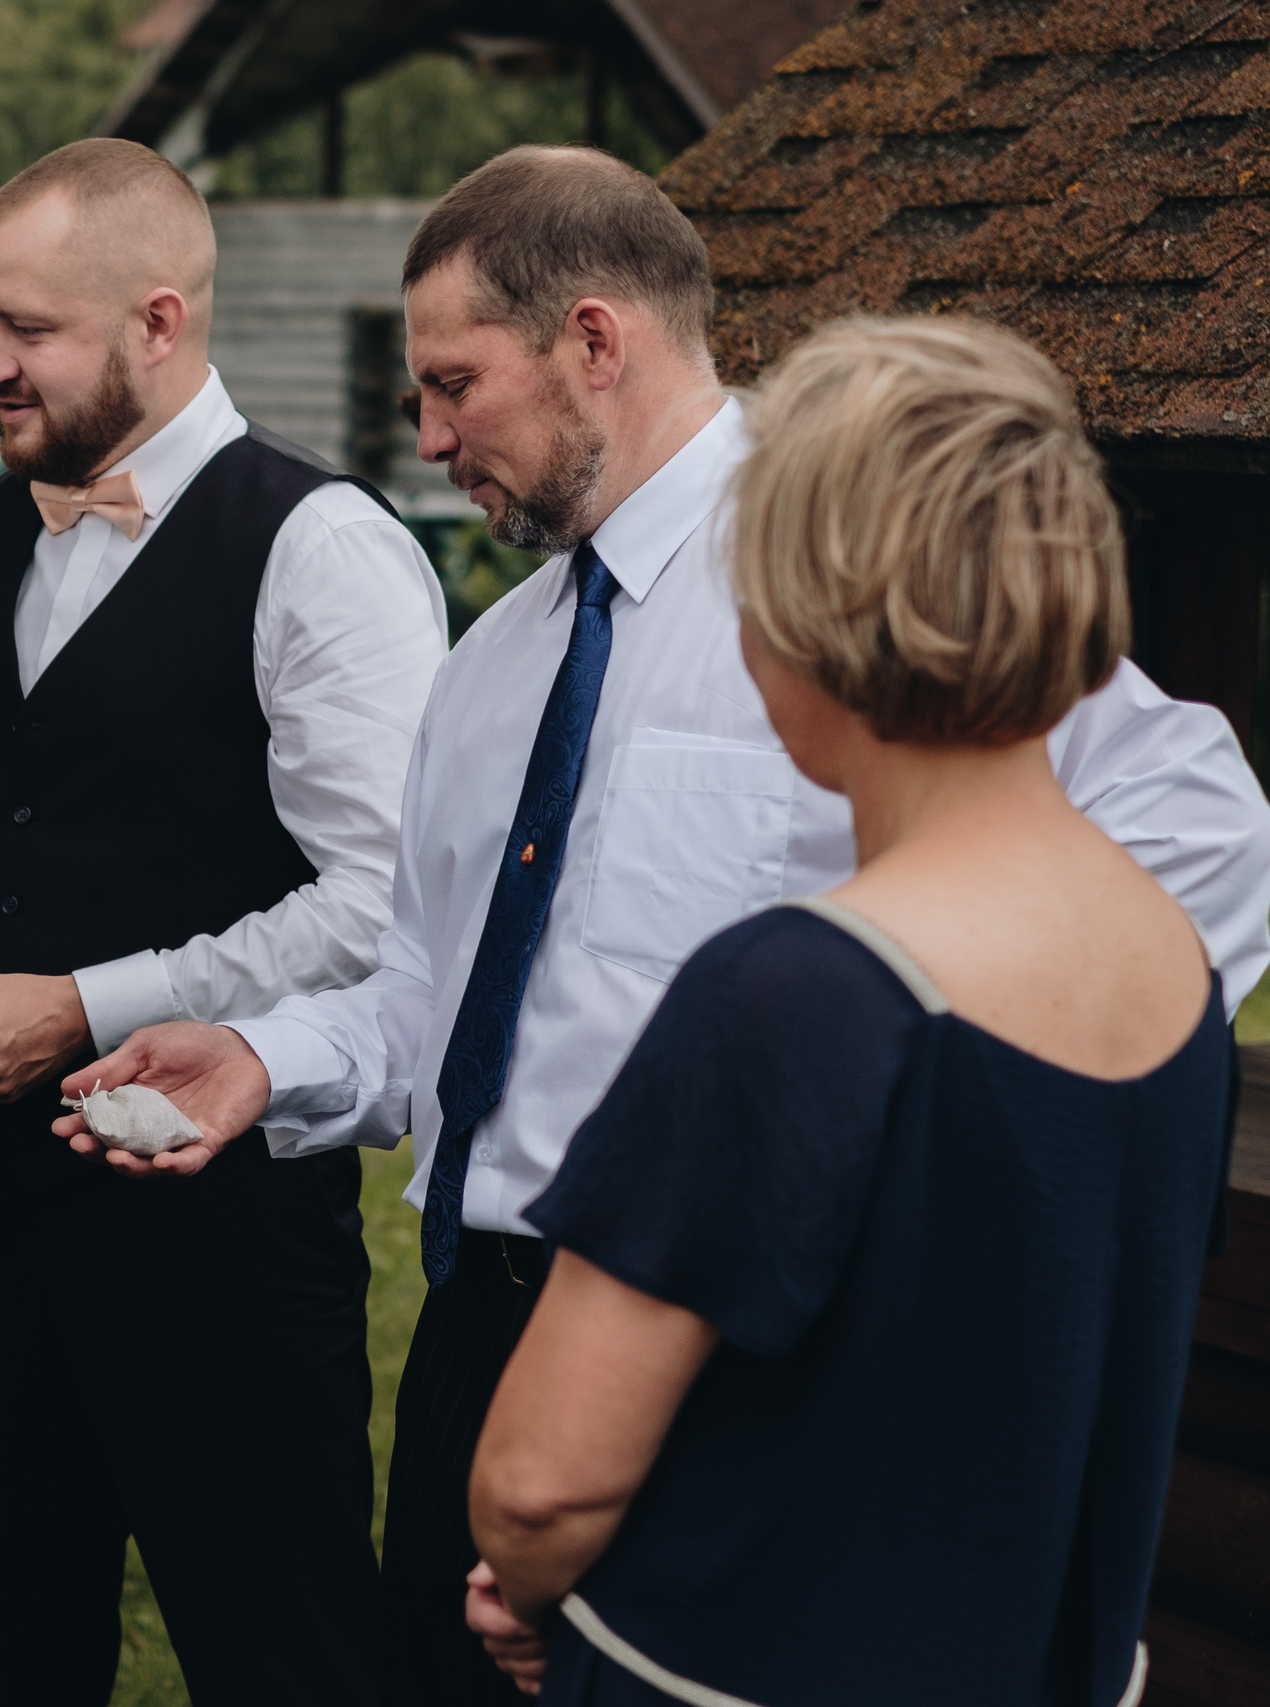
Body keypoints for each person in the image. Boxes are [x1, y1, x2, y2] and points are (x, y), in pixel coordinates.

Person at [52, 147, 1270, 1705]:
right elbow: (442, 985)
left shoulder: (867, 566)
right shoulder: (491, 666)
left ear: (593, 340)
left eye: (454, 384)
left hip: (763, 1368)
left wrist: (938, 1155)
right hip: (475, 1352)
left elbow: (1196, 819)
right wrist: (264, 1057)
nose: (427, 439)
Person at [0, 139, 449, 1705]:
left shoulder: (325, 552)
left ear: (158, 323)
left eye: (28, 330)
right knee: (8, 1655)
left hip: (224, 1237)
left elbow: (381, 903)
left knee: (286, 1656)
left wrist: (92, 1002)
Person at [462, 314, 1228, 1705]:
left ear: (804, 612)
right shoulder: (1173, 965)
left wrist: (523, 1592)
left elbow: (537, 1485)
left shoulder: (798, 996)